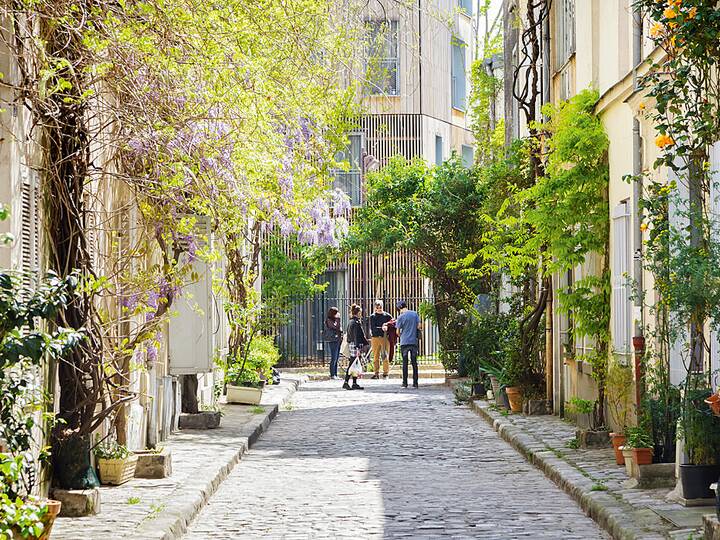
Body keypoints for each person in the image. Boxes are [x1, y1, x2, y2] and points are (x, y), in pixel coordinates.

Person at [395, 300, 421, 388]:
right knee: (414, 362)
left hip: (404, 342)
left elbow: (397, 332)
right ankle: (415, 383)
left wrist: (402, 334)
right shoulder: (414, 314)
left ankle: (405, 383)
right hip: (413, 341)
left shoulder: (400, 317)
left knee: (405, 362)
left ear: (399, 308)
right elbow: (419, 326)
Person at [343, 304, 368, 390]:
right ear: (357, 313)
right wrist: (358, 346)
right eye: (360, 312)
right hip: (355, 345)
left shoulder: (352, 321)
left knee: (355, 364)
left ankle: (354, 382)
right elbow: (355, 336)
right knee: (352, 364)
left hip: (353, 344)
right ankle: (346, 382)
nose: (361, 314)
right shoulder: (355, 322)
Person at [368, 300, 392, 379]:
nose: (379, 309)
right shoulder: (372, 316)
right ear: (375, 307)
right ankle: (376, 373)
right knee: (375, 356)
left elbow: (392, 325)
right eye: (377, 307)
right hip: (375, 338)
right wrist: (382, 328)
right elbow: (373, 328)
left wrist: (386, 327)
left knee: (385, 356)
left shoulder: (387, 316)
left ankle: (386, 373)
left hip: (385, 338)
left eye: (380, 307)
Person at [323, 307, 342, 379]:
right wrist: (338, 319)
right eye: (336, 313)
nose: (337, 314)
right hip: (333, 340)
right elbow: (335, 327)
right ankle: (332, 374)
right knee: (333, 357)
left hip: (338, 339)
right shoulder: (329, 320)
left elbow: (339, 327)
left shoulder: (335, 320)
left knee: (337, 358)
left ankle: (336, 374)